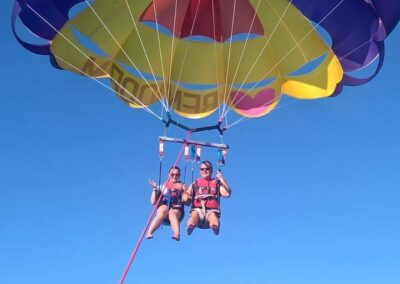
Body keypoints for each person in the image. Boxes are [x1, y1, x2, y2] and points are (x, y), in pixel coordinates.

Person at [184, 161, 231, 235]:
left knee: (213, 217)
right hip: (197, 209)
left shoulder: (216, 183)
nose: (204, 170)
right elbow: (186, 196)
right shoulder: (194, 183)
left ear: (211, 170)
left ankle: (215, 227)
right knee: (194, 215)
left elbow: (227, 194)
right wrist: (185, 194)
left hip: (211, 211)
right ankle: (190, 227)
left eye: (207, 169)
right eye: (202, 169)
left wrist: (222, 179)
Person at [146, 166, 187, 241]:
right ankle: (150, 232)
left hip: (177, 208)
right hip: (164, 208)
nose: (174, 176)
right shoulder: (162, 186)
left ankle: (176, 234)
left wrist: (184, 191)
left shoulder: (182, 186)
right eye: (172, 174)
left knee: (172, 213)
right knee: (162, 210)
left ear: (179, 175)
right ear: (169, 174)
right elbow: (153, 202)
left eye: (177, 175)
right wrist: (155, 188)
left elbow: (187, 201)